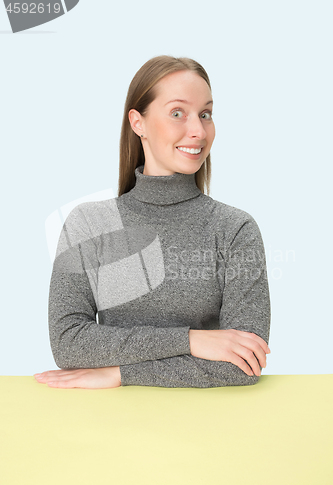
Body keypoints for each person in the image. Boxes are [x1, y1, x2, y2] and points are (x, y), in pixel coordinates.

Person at [34, 55, 271, 390]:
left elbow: (245, 364)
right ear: (138, 123)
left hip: (211, 428)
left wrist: (119, 373)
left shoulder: (235, 229)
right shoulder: (89, 224)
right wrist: (192, 341)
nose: (199, 131)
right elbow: (69, 342)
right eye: (178, 113)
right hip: (105, 429)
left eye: (206, 114)